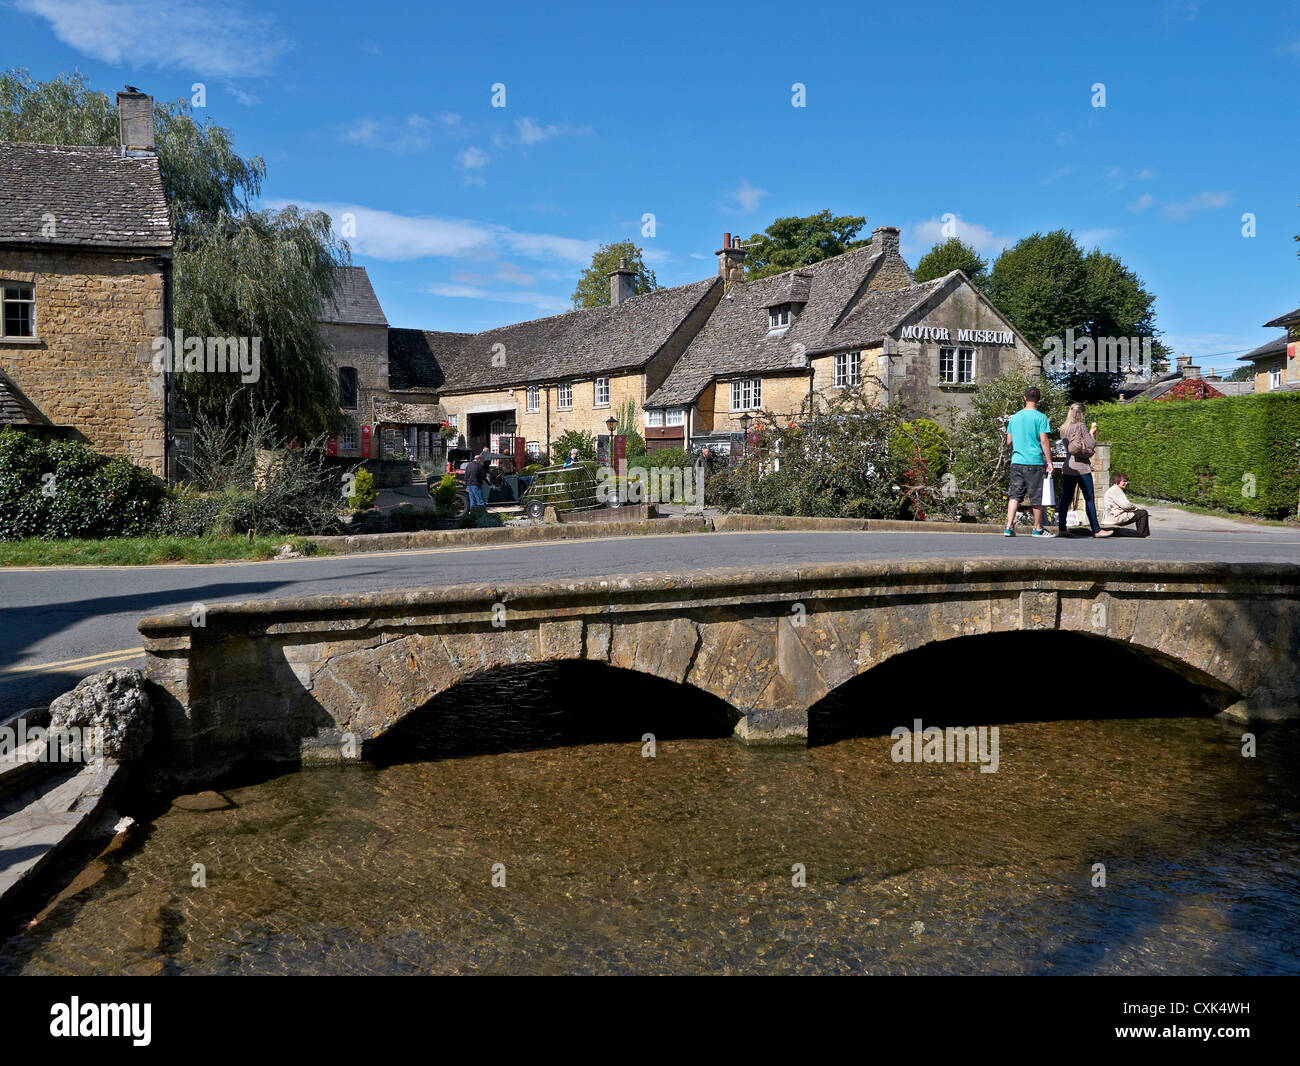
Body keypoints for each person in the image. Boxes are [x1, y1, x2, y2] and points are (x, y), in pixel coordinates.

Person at [1003, 386, 1055, 537]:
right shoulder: (1041, 417)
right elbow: (1044, 440)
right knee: (1036, 497)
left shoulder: (1015, 417)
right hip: (1034, 461)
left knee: (1014, 495)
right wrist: (1049, 461)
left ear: (1024, 398)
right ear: (1038, 400)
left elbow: (1008, 441)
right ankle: (1037, 528)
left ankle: (1008, 526)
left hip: (1017, 461)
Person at [1056, 403, 1112, 538]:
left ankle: (1062, 529)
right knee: (1089, 499)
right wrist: (1092, 434)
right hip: (1081, 468)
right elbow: (1091, 444)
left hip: (1068, 467)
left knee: (1065, 499)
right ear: (1082, 414)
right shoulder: (1080, 426)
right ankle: (1096, 529)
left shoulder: (1064, 428)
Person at [1102, 473, 1150, 537]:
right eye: (1124, 481)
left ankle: (1140, 534)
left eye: (1126, 481)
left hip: (1109, 517)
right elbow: (1126, 505)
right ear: (1117, 481)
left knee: (1139, 512)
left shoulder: (1113, 489)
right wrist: (1136, 508)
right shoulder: (1116, 490)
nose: (1126, 483)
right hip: (1115, 517)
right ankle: (1141, 534)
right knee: (1143, 513)